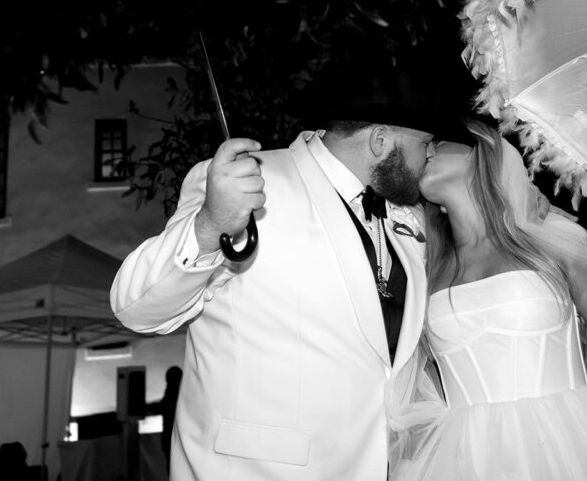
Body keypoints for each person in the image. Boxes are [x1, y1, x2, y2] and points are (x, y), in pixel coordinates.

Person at [111, 64, 460, 480]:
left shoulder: (407, 220)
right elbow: (136, 309)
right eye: (426, 143)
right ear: (381, 140)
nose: (432, 155)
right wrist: (210, 225)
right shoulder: (247, 182)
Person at [387, 120, 587, 480]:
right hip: (467, 461)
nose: (429, 148)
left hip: (571, 451)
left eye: (439, 141)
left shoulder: (552, 243)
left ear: (484, 153)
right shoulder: (421, 264)